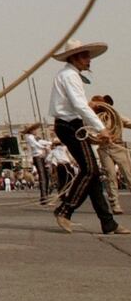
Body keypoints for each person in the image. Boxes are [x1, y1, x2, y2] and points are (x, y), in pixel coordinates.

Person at [48, 39, 127, 235]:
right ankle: (65, 209)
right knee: (90, 170)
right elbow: (79, 105)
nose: (88, 60)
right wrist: (101, 128)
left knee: (92, 175)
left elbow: (79, 105)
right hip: (69, 125)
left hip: (71, 125)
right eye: (85, 56)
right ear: (74, 57)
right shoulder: (69, 76)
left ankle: (108, 222)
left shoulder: (70, 74)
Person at [89, 94, 131, 215]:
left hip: (118, 146)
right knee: (110, 176)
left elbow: (128, 122)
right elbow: (89, 133)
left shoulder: (116, 116)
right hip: (104, 148)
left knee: (129, 175)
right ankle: (115, 205)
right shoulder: (94, 119)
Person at [21, 123, 51, 205]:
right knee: (42, 176)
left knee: (45, 176)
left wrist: (50, 143)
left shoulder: (35, 137)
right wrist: (45, 147)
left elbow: (42, 141)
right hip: (37, 157)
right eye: (34, 129)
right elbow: (35, 144)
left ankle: (45, 196)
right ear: (31, 130)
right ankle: (44, 197)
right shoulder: (29, 137)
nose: (36, 131)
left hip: (41, 157)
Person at [46, 138, 75, 203]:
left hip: (60, 166)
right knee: (71, 179)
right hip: (66, 165)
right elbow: (70, 155)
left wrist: (54, 161)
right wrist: (72, 161)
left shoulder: (53, 151)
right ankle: (70, 193)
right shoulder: (65, 148)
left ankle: (62, 195)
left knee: (61, 180)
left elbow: (47, 159)